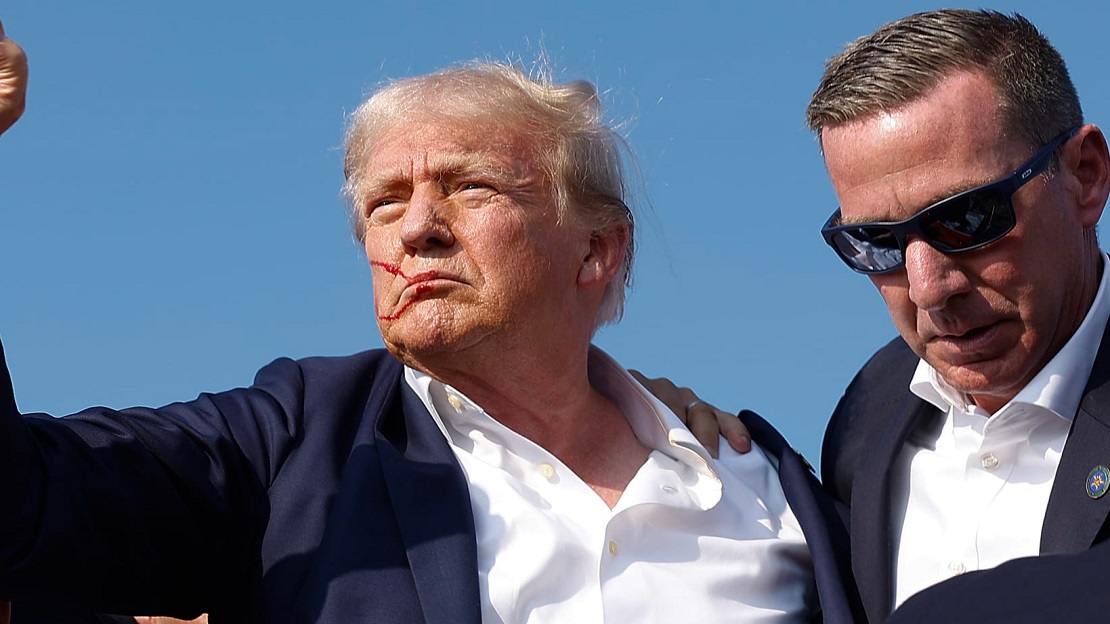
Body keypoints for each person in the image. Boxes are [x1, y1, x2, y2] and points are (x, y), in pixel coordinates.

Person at [0, 21, 859, 624]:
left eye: (469, 186)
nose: (416, 228)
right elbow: (21, 497)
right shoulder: (296, 446)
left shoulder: (765, 483)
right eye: (384, 203)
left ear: (597, 248)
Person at [808, 8, 1110, 623]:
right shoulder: (862, 426)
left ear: (1086, 176)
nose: (928, 289)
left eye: (966, 218)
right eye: (876, 242)